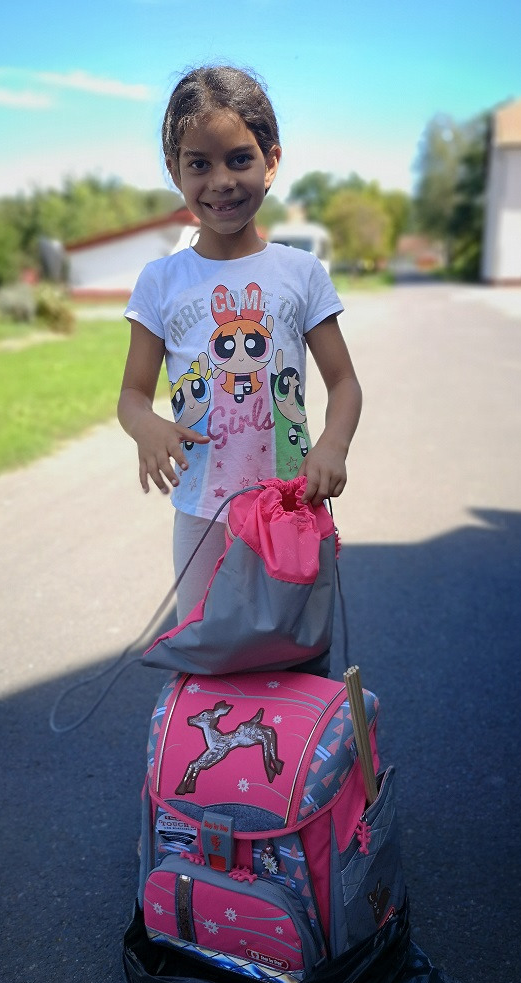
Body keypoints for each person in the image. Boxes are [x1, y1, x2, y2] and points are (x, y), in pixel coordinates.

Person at [118, 65, 362, 621]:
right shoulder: (160, 282)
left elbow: (345, 382)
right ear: (175, 171)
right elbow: (131, 395)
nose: (221, 181)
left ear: (271, 162)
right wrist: (146, 426)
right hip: (203, 514)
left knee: (297, 644)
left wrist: (332, 446)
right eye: (199, 164)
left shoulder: (301, 273)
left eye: (239, 159)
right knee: (207, 644)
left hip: (292, 506)